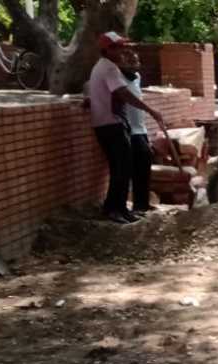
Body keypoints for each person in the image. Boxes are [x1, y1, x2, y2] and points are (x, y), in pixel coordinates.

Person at [87, 31, 164, 224]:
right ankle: (113, 209)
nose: (122, 50)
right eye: (118, 46)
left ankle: (119, 208)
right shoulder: (109, 68)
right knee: (121, 167)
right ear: (107, 49)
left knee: (122, 167)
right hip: (112, 123)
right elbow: (124, 94)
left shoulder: (101, 67)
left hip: (107, 123)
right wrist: (151, 110)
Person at [117, 49, 155, 216]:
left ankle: (143, 203)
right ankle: (136, 206)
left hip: (141, 128)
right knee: (137, 166)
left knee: (145, 165)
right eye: (130, 61)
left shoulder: (137, 78)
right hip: (129, 130)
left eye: (136, 61)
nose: (135, 65)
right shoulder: (118, 80)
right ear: (121, 63)